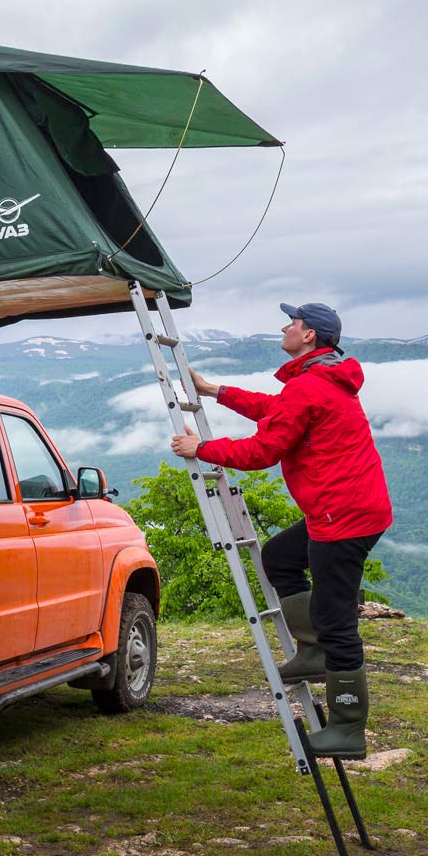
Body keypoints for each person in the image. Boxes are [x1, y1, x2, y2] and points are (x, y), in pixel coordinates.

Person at [169, 302, 392, 758]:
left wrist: (202, 447)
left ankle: (349, 727)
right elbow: (277, 410)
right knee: (280, 557)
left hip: (341, 517)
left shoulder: (311, 385)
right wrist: (215, 390)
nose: (285, 327)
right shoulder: (321, 380)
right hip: (346, 509)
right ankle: (311, 653)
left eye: (293, 322)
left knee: (339, 623)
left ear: (309, 336)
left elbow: (264, 450)